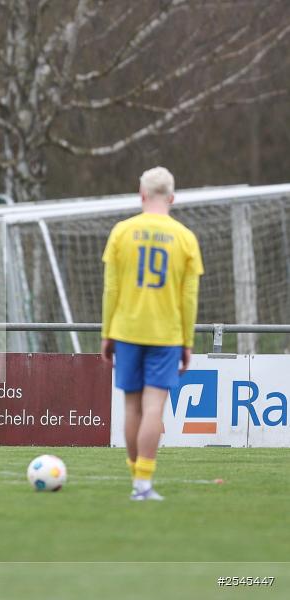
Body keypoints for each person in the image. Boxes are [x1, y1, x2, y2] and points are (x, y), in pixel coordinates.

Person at [101, 167, 204, 501]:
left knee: (132, 407)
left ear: (141, 195)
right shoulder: (185, 238)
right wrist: (187, 341)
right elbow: (189, 298)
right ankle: (144, 484)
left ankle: (137, 482)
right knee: (153, 408)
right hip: (166, 334)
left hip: (127, 330)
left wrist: (107, 333)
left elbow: (111, 289)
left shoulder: (121, 232)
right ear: (172, 197)